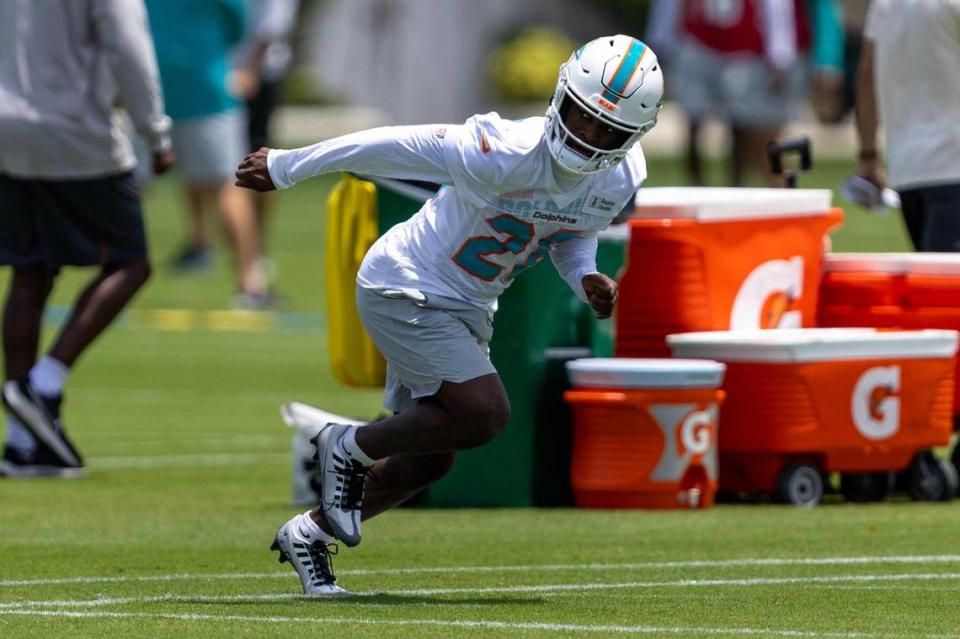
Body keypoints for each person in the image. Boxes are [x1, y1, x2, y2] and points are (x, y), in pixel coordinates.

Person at [236, 35, 664, 595]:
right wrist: (288, 165)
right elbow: (387, 144)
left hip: (467, 304)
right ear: (560, 98)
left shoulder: (620, 176)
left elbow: (570, 232)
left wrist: (585, 277)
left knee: (429, 464)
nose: (590, 137)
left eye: (609, 132)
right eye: (584, 118)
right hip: (406, 283)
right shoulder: (502, 148)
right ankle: (346, 445)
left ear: (633, 136)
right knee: (484, 414)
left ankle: (308, 534)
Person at [0, 0, 174, 477]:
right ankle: (42, 384)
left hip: (6, 130)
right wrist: (155, 133)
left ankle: (23, 443)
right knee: (131, 263)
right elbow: (128, 45)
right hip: (76, 131)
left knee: (30, 270)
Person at [145, 0, 271, 309]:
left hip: (151, 90)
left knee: (131, 187)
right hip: (208, 91)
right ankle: (250, 284)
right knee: (231, 187)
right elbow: (238, 28)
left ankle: (112, 272)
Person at [659, 0, 843, 186]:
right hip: (717, 46)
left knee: (758, 135)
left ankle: (759, 191)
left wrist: (786, 58)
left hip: (753, 54)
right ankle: (772, 192)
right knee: (754, 138)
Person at [854, 0, 960, 251]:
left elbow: (867, 74)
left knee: (932, 282)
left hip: (907, 171)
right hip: (953, 168)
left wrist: (868, 156)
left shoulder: (883, 4)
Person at [232, 0, 302, 264]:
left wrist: (251, 69)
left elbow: (273, 25)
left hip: (259, 74)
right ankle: (206, 242)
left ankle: (256, 245)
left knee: (257, 159)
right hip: (222, 69)